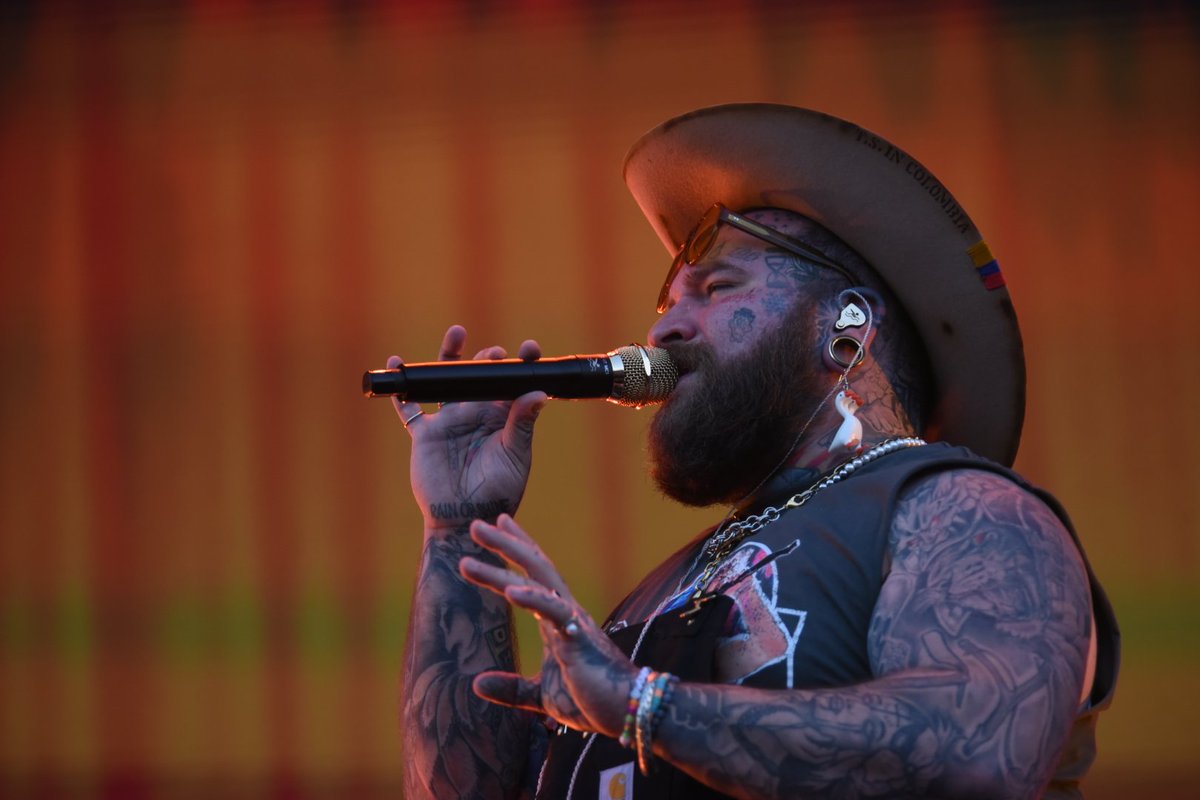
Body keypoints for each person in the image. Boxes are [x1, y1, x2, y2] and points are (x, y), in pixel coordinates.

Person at [388, 104, 1119, 799]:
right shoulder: (670, 585)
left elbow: (973, 759)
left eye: (715, 288)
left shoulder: (966, 510)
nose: (663, 332)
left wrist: (643, 706)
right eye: (667, 305)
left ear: (848, 325)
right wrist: (455, 526)